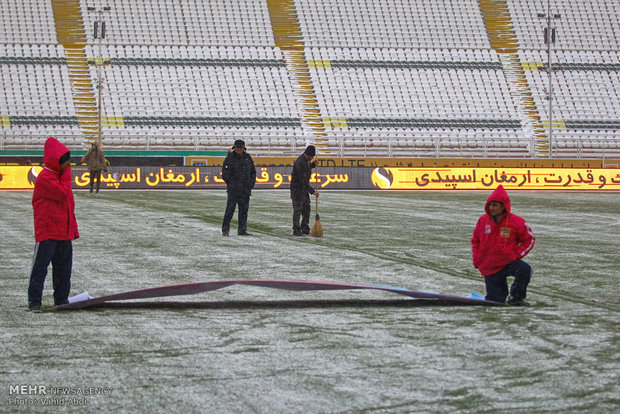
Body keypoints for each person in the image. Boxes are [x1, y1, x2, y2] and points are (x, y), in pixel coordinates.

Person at [28, 137, 79, 312]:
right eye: (66, 162)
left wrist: (72, 229)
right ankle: (34, 301)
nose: (68, 166)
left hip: (63, 232)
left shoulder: (57, 176)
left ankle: (61, 299)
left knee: (64, 269)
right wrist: (66, 176)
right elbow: (62, 194)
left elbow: (68, 207)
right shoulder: (45, 178)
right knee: (40, 268)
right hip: (48, 231)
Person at [471, 185, 535, 306]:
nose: (491, 208)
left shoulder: (516, 221)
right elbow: (476, 241)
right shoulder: (483, 220)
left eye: (495, 205)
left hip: (508, 263)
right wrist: (477, 260)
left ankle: (516, 298)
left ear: (503, 206)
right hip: (489, 266)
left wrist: (516, 255)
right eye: (490, 204)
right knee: (495, 302)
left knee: (524, 269)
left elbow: (529, 239)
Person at [221, 139, 256, 236]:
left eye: (240, 147)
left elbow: (253, 172)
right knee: (230, 209)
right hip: (234, 190)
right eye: (237, 147)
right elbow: (225, 174)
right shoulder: (230, 158)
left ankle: (242, 229)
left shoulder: (248, 157)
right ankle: (225, 230)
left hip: (245, 189)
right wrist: (232, 184)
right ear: (234, 148)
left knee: (244, 211)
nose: (239, 149)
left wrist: (250, 184)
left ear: (243, 148)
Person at [290, 145, 319, 236]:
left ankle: (304, 228)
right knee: (298, 210)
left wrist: (312, 165)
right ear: (308, 154)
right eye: (312, 157)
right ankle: (296, 230)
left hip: (303, 190)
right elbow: (302, 180)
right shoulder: (300, 162)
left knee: (307, 209)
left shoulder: (306, 161)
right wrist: (313, 191)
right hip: (297, 190)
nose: (312, 158)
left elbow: (306, 169)